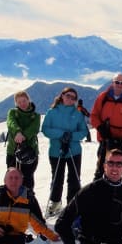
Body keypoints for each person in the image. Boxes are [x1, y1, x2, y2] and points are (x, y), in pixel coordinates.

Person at [41, 88, 88, 216]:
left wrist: (71, 136)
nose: (70, 99)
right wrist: (62, 134)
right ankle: (55, 202)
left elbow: (84, 131)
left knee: (74, 178)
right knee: (57, 178)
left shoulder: (77, 114)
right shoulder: (52, 112)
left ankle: (73, 204)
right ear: (62, 96)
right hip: (56, 151)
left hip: (74, 151)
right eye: (68, 96)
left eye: (74, 98)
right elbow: (45, 129)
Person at [90, 73, 122, 180]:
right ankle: (96, 191)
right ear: (112, 83)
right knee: (102, 167)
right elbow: (94, 116)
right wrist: (101, 128)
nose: (119, 85)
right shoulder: (103, 97)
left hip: (121, 141)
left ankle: (114, 193)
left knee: (117, 170)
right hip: (105, 140)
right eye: (117, 82)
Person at [5, 91, 41, 191]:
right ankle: (11, 203)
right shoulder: (12, 112)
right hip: (13, 151)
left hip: (30, 152)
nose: (22, 104)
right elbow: (11, 122)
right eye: (19, 102)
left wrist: (22, 136)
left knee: (28, 178)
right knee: (12, 178)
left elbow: (34, 128)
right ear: (16, 103)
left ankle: (27, 202)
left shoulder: (36, 115)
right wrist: (17, 132)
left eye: (24, 101)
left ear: (28, 100)